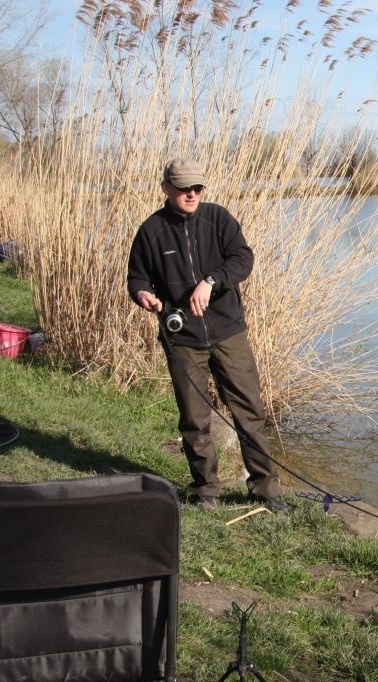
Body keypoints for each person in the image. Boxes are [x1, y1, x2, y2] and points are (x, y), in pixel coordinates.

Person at [127, 158, 287, 512]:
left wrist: (212, 281)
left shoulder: (218, 219)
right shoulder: (151, 231)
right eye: (184, 188)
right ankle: (206, 491)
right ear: (166, 188)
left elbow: (243, 258)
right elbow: (136, 278)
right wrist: (143, 295)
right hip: (182, 338)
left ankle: (266, 490)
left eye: (197, 187)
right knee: (194, 419)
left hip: (228, 332)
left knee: (250, 412)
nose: (192, 194)